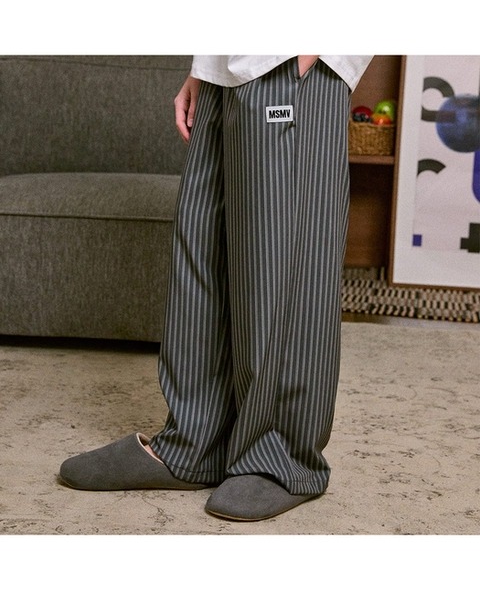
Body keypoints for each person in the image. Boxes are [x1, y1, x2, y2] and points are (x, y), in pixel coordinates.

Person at [59, 55, 373, 521]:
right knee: (204, 250)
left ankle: (280, 458)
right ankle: (196, 443)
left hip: (292, 59)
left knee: (281, 263)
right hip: (230, 65)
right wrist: (204, 67)